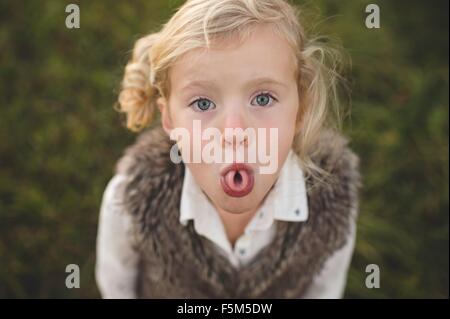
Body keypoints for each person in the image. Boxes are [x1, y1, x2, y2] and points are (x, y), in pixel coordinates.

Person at [95, 0, 362, 298]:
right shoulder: (130, 201)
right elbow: (117, 287)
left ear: (301, 110)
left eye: (262, 99)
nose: (234, 133)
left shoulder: (334, 203)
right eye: (203, 103)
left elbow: (324, 292)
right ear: (169, 120)